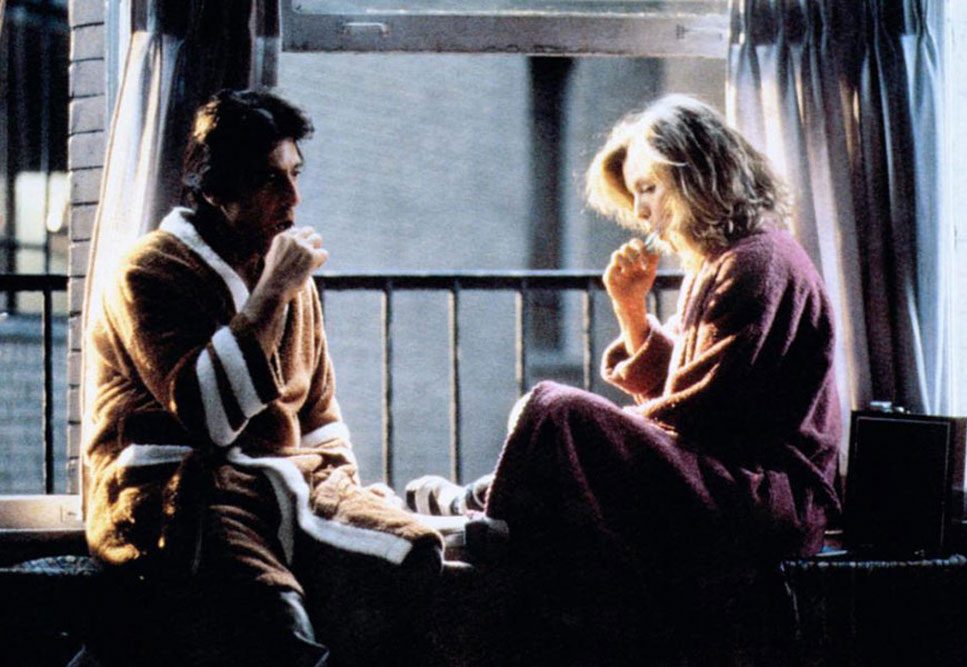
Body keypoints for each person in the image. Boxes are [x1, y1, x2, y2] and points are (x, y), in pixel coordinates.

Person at [409, 95, 842, 665]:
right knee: (567, 427)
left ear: (700, 176)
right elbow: (689, 395)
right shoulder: (726, 260)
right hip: (731, 478)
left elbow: (698, 413)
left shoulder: (757, 263)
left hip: (763, 498)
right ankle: (484, 506)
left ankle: (482, 510)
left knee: (555, 409)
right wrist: (631, 310)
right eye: (636, 193)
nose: (640, 210)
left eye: (650, 188)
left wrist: (591, 433)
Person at [83, 88, 442, 666]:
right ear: (215, 188)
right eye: (271, 180)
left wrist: (342, 486)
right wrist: (272, 293)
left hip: (281, 481)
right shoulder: (147, 271)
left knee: (412, 555)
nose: (293, 198)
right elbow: (210, 418)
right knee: (274, 614)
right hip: (178, 488)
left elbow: (319, 411)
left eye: (295, 174)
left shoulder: (287, 273)